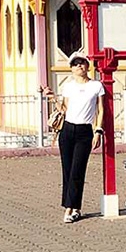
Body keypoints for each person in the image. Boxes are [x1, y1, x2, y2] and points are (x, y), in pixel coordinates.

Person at [41, 55, 104, 223]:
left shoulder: (96, 86)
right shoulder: (68, 86)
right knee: (67, 170)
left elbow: (101, 110)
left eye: (82, 63)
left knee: (78, 170)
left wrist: (98, 131)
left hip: (85, 131)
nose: (79, 66)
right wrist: (52, 97)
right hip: (67, 130)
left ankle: (70, 208)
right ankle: (74, 207)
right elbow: (64, 109)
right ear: (71, 69)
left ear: (87, 66)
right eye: (75, 64)